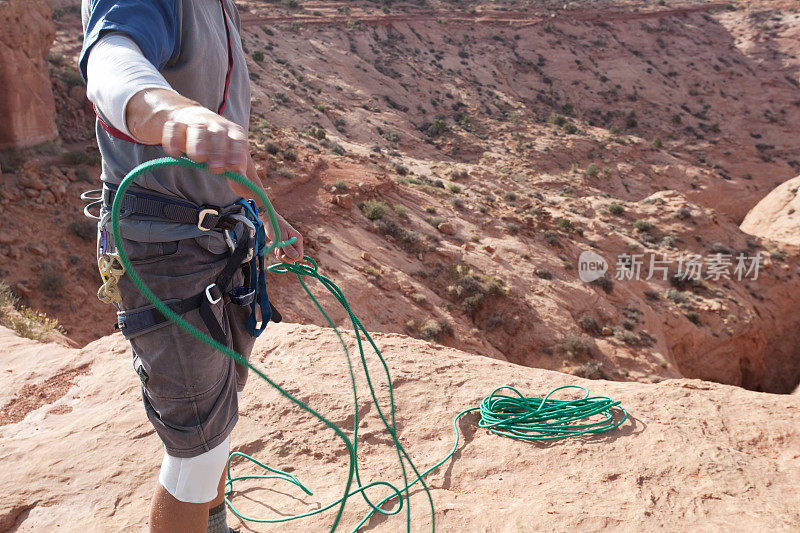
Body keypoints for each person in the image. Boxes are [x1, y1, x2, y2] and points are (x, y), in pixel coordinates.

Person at [79, 1, 304, 531]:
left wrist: (267, 213)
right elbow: (110, 57)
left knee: (218, 415)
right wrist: (171, 110)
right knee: (197, 444)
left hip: (216, 230)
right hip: (164, 244)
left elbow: (216, 150)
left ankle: (212, 522)